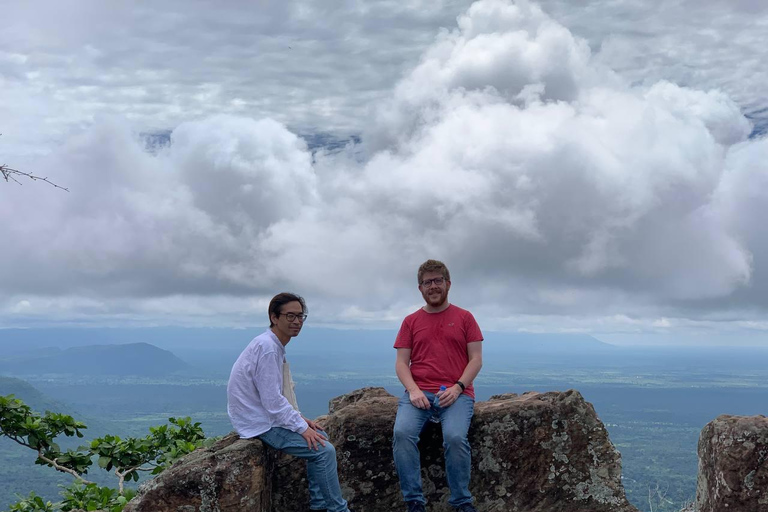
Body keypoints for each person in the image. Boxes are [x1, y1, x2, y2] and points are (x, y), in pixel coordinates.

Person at [227, 292, 353, 512]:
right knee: (324, 451)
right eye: (290, 316)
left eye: (300, 316)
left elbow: (274, 396)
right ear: (274, 317)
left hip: (261, 416)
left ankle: (319, 506)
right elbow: (272, 401)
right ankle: (337, 509)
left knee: (321, 439)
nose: (297, 322)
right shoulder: (267, 348)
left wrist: (300, 419)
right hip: (259, 423)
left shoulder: (271, 344)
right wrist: (301, 427)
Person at [393, 260, 484, 512]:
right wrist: (413, 390)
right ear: (420, 288)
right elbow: (401, 363)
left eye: (437, 281)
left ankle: (461, 501)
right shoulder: (411, 321)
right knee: (402, 434)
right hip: (419, 393)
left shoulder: (465, 318)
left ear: (448, 284)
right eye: (427, 282)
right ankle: (414, 502)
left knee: (455, 438)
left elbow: (476, 359)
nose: (433, 286)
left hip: (457, 394)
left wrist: (458, 387)